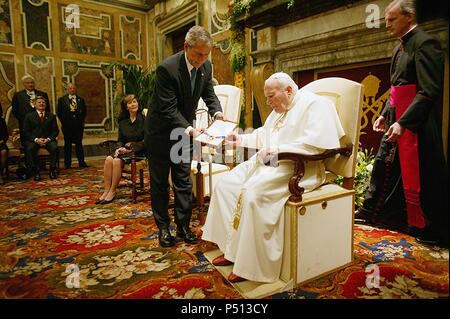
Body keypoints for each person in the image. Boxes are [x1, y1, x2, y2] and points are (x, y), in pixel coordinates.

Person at [201, 72, 345, 283]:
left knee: (253, 193)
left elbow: (318, 145)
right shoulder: (281, 107)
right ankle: (232, 250)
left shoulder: (317, 105)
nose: (268, 103)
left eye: (270, 97)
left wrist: (277, 149)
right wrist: (239, 137)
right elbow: (264, 134)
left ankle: (251, 266)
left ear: (288, 90)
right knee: (225, 184)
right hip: (271, 163)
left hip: (300, 166)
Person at [355, 0, 448, 247]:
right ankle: (377, 214)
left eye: (392, 19)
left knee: (422, 174)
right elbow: (396, 89)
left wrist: (404, 122)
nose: (386, 25)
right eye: (386, 19)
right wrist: (386, 113)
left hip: (418, 124)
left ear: (410, 16)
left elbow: (429, 90)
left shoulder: (426, 43)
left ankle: (431, 228)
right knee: (384, 166)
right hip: (397, 117)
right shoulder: (398, 49)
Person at [144, 25, 223, 247]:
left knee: (183, 181)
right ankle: (163, 229)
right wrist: (190, 129)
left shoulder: (205, 66)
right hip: (160, 134)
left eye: (207, 54)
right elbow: (169, 109)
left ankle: (183, 226)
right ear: (186, 47)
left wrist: (217, 112)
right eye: (199, 54)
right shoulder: (167, 69)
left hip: (183, 133)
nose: (203, 59)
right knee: (160, 184)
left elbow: (209, 94)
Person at [96, 94, 145, 204]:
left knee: (117, 160)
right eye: (129, 103)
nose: (133, 104)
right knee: (109, 159)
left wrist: (130, 148)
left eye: (134, 102)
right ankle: (106, 190)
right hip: (124, 151)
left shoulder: (144, 120)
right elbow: (120, 139)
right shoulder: (123, 122)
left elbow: (146, 141)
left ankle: (113, 191)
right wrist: (119, 148)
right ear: (126, 106)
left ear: (138, 103)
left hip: (137, 152)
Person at [22, 96, 59, 181]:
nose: (41, 104)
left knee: (54, 147)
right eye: (39, 102)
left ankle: (52, 170)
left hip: (48, 140)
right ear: (35, 105)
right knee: (30, 148)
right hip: (34, 140)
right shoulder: (29, 116)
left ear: (45, 105)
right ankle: (35, 171)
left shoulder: (51, 116)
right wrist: (36, 139)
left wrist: (48, 139)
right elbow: (26, 132)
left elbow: (55, 131)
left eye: (43, 102)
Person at [11, 75, 50, 148]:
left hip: (41, 126)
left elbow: (47, 110)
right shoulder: (18, 95)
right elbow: (15, 110)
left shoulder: (42, 94)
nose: (30, 84)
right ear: (24, 84)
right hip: (25, 126)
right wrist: (23, 120)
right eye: (27, 83)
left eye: (32, 83)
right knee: (28, 148)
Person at [57, 83, 88, 169]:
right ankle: (67, 164)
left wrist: (81, 122)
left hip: (78, 126)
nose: (72, 90)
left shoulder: (80, 100)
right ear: (67, 90)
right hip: (67, 126)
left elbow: (84, 112)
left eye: (74, 88)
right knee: (67, 145)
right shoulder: (62, 100)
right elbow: (59, 112)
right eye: (70, 88)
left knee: (79, 144)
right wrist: (65, 122)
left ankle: (81, 162)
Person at [0, 103, 9, 185]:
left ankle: (0, 173)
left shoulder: (1, 121)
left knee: (3, 152)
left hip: (0, 143)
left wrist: (1, 141)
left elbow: (5, 135)